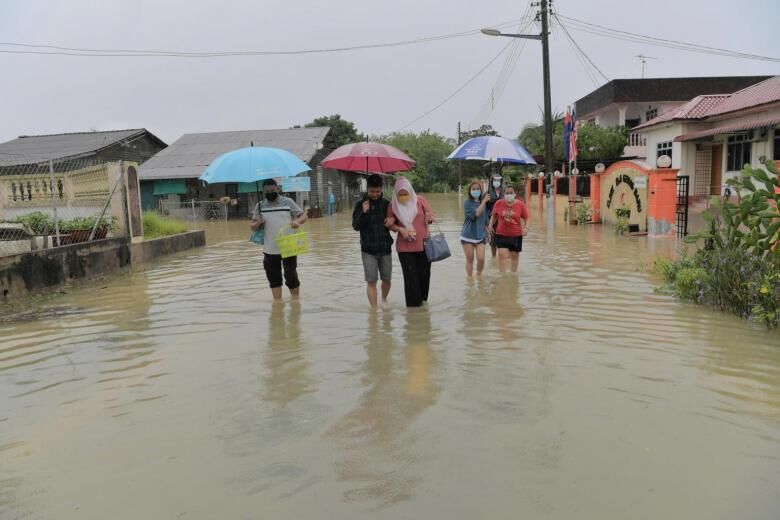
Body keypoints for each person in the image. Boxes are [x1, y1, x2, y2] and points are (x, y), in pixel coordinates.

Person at [250, 178, 308, 300]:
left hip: (289, 247)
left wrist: (297, 221)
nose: (270, 192)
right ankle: (277, 305)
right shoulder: (260, 206)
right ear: (263, 192)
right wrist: (258, 222)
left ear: (277, 189)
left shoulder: (287, 202)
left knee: (291, 276)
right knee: (273, 278)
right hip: (270, 249)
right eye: (267, 191)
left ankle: (295, 303)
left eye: (272, 190)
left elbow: (303, 216)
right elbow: (253, 227)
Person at [386, 177, 435, 308]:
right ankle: (413, 311)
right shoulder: (393, 205)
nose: (403, 196)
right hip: (405, 249)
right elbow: (390, 224)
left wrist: (429, 218)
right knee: (411, 280)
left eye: (405, 193)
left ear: (410, 191)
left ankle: (423, 307)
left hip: (423, 245)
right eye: (400, 194)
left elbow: (431, 217)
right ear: (396, 194)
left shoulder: (420, 201)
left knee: (424, 278)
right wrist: (400, 229)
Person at [352, 174, 394, 308]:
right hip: (368, 250)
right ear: (367, 189)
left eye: (377, 191)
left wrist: (393, 221)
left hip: (385, 248)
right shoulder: (360, 204)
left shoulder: (387, 204)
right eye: (372, 191)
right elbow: (355, 226)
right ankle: (374, 310)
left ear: (381, 189)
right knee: (371, 281)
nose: (375, 194)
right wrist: (364, 213)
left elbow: (394, 224)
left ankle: (384, 299)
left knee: (387, 279)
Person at [488, 184, 529, 273]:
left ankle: (513, 277)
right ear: (504, 194)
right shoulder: (499, 203)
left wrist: (526, 228)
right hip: (501, 234)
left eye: (511, 193)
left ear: (515, 193)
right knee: (502, 256)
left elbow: (527, 217)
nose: (509, 195)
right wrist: (490, 225)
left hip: (516, 235)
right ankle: (503, 278)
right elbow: (494, 216)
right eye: (507, 193)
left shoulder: (520, 205)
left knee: (514, 257)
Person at [460, 180, 490, 277]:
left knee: (481, 259)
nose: (476, 190)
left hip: (480, 235)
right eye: (474, 189)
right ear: (470, 191)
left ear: (481, 191)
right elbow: (476, 213)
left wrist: (488, 233)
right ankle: (469, 279)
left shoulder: (483, 203)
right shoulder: (467, 203)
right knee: (470, 259)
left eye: (478, 189)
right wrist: (484, 201)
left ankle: (478, 275)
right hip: (468, 235)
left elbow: (485, 220)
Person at [486, 174, 504, 258]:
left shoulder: (505, 193)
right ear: (492, 181)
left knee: (504, 242)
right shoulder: (487, 194)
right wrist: (487, 225)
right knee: (493, 243)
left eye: (498, 180)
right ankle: (493, 258)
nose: (496, 182)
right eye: (495, 180)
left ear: (501, 182)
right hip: (491, 221)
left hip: (503, 221)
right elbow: (484, 210)